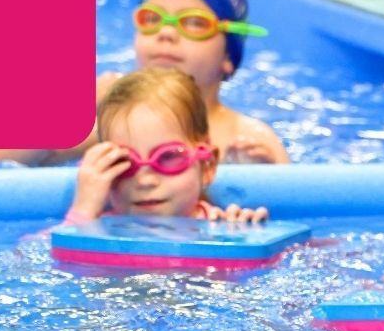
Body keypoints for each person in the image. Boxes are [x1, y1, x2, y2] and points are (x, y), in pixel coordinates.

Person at [0, 0, 290, 166]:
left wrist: (268, 176)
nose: (167, 33)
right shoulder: (113, 124)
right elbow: (2, 160)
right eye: (152, 19)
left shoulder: (247, 137)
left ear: (228, 57)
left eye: (194, 23)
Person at [64, 67, 268, 224]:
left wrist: (247, 234)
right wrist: (84, 209)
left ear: (207, 166)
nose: (144, 181)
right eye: (124, 162)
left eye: (168, 157)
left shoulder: (220, 225)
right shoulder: (97, 227)